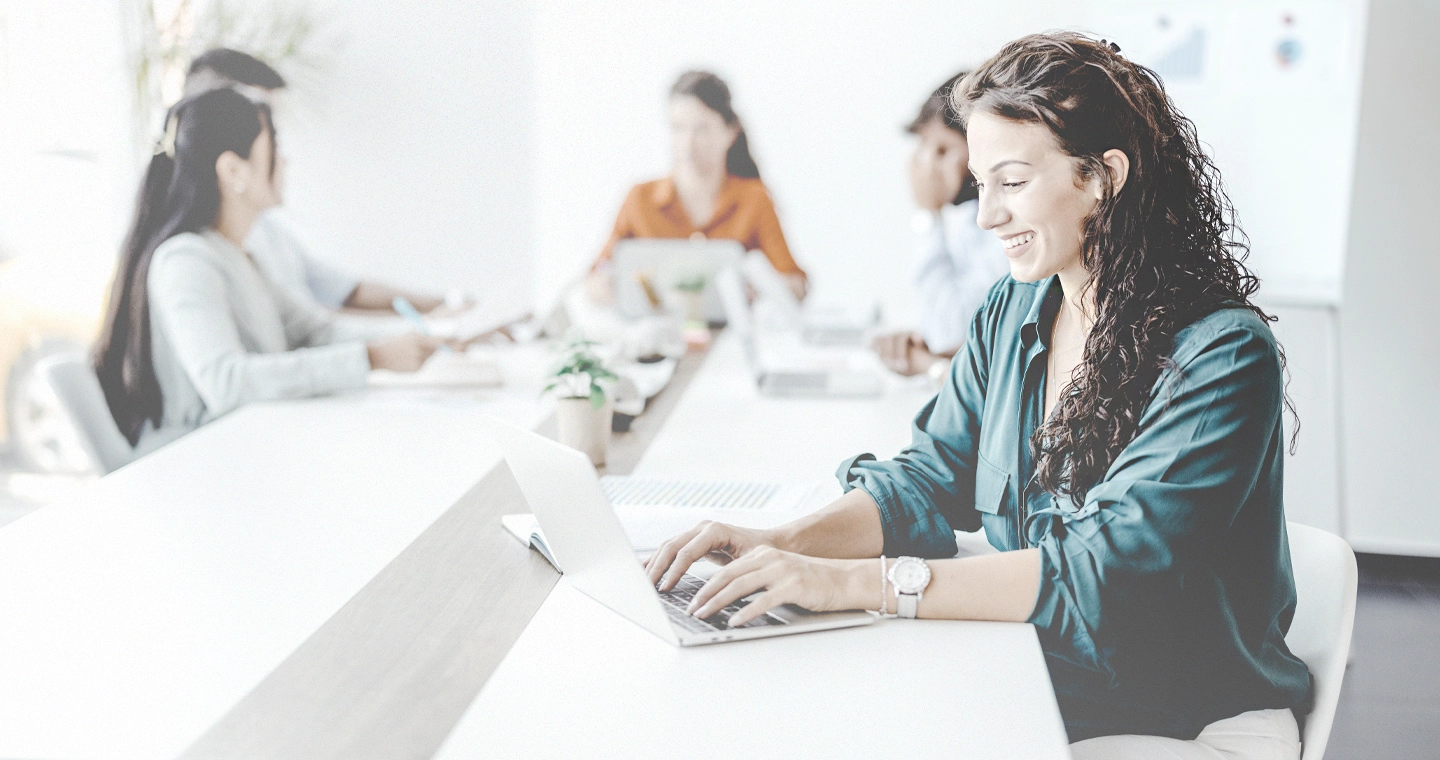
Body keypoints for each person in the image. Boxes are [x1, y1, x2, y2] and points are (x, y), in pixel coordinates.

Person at [645, 33, 1310, 759]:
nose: (986, 215)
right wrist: (782, 544)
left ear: (1103, 178)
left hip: (1170, 710)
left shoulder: (1220, 353)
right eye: (980, 182)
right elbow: (929, 480)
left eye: (1013, 182)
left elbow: (1099, 579)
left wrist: (852, 583)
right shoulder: (1013, 309)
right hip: (1034, 672)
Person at [94, 88, 442, 455]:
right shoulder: (185, 261)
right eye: (273, 145)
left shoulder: (237, 255)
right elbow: (226, 383)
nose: (286, 162)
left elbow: (316, 330)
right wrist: (373, 359)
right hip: (203, 466)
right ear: (233, 170)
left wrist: (428, 335)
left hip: (250, 450)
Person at [184, 48, 450, 316]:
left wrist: (445, 306)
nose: (281, 155)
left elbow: (342, 294)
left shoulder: (267, 233)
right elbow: (307, 330)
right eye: (263, 126)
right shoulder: (192, 259)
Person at [589, 70, 807, 302]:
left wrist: (759, 288)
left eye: (702, 129)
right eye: (678, 128)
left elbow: (796, 285)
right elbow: (594, 280)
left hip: (730, 335)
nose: (687, 143)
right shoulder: (639, 198)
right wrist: (607, 285)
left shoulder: (754, 199)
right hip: (658, 332)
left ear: (730, 132)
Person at [871, 72, 1010, 377]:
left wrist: (926, 214)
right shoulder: (966, 220)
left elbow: (948, 331)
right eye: (925, 148)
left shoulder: (1005, 229)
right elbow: (944, 334)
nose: (928, 165)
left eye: (944, 150)